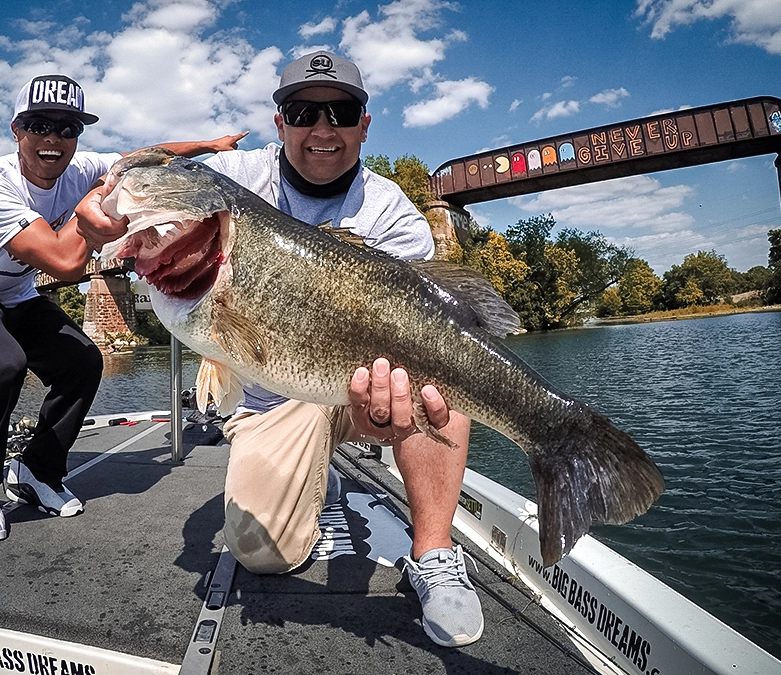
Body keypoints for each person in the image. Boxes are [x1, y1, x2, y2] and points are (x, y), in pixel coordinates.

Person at [83, 53, 482, 647]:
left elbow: (444, 315)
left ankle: (435, 554)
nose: (322, 130)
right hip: (276, 398)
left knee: (438, 364)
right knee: (261, 553)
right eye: (303, 112)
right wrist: (109, 215)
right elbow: (134, 173)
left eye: (341, 113)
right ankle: (312, 470)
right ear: (279, 122)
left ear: (365, 125)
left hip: (370, 385)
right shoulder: (233, 178)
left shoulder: (393, 213)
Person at [0, 73, 243, 543]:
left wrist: (210, 145)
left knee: (83, 361)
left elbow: (149, 155)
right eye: (40, 125)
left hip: (16, 297)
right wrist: (93, 204)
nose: (53, 139)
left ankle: (36, 472)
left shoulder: (84, 167)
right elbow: (66, 262)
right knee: (1, 367)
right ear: (17, 130)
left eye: (68, 129)